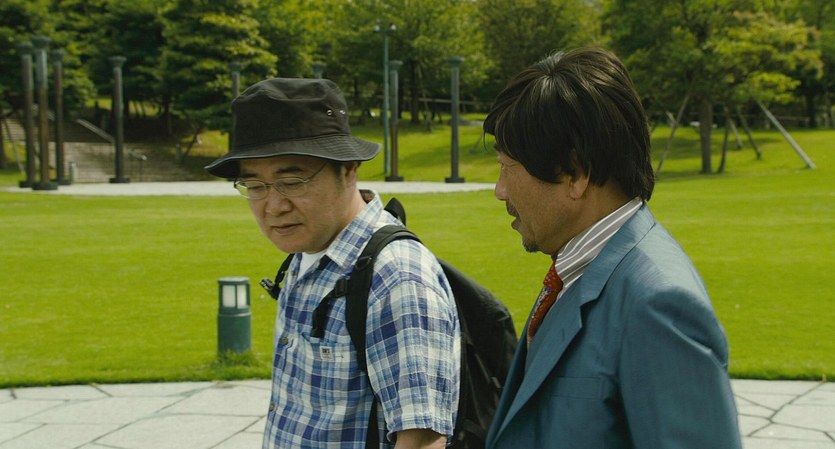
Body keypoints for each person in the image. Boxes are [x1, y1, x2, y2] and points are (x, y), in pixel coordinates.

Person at [482, 47, 742, 449]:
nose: (500, 191)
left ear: (576, 173)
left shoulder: (658, 304)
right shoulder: (580, 267)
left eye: (507, 167)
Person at [205, 77, 460, 449]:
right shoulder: (310, 251)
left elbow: (423, 441)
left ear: (349, 168)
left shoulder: (396, 277)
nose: (274, 206)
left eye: (293, 181)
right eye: (255, 186)